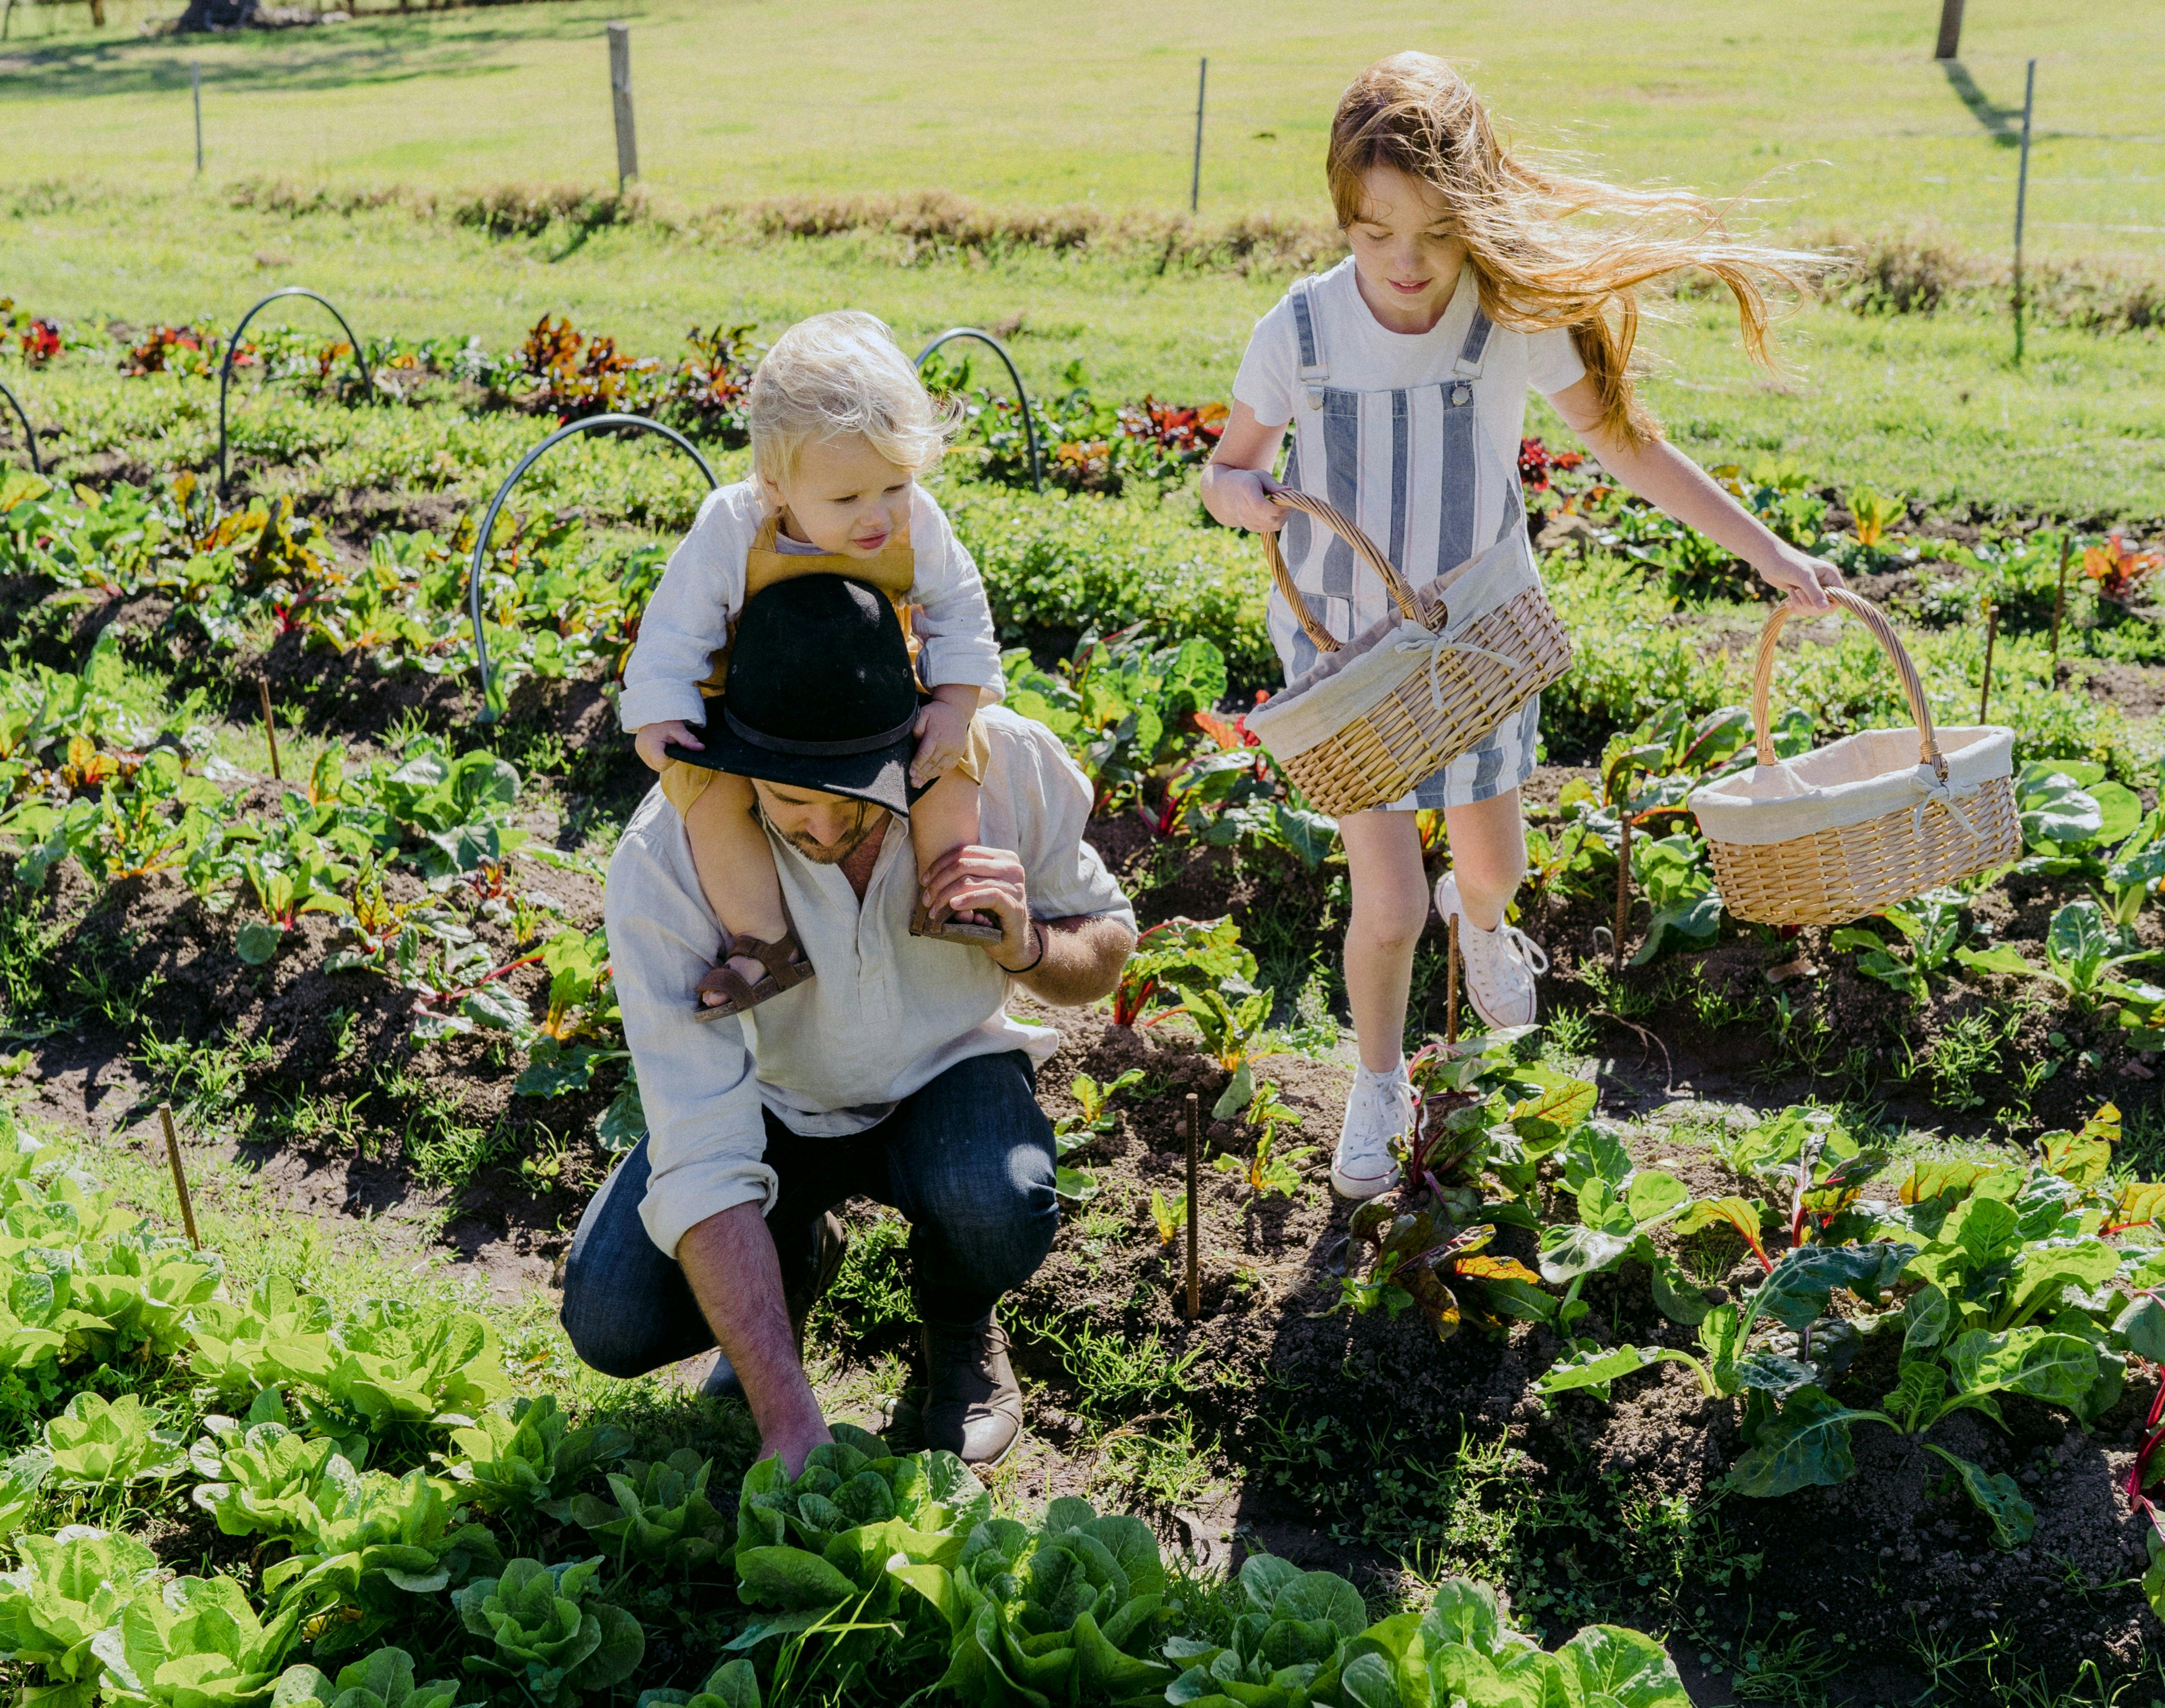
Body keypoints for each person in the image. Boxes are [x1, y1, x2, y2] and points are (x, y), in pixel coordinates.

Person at [1200, 51, 1844, 1201]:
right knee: (1386, 900)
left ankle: (1484, 925)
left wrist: (1770, 553)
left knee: (1490, 867)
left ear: (1477, 217)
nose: (1404, 264)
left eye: (1436, 233)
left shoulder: (1506, 320)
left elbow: (1627, 446)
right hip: (1350, 662)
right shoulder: (1294, 333)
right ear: (1341, 218)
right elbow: (1226, 467)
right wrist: (1237, 492)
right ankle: (1377, 1079)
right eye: (1373, 232)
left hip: (1478, 647)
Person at [563, 571, 1138, 1472]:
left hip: (948, 1078)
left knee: (996, 1203)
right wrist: (785, 1417)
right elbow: (701, 1147)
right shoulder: (664, 860)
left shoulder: (1001, 762)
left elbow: (1106, 947)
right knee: (610, 1319)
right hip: (771, 1105)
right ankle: (787, 1265)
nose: (826, 824)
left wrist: (1027, 947)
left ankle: (957, 1334)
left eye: (857, 792)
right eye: (792, 800)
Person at [621, 310, 1008, 1022]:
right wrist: (661, 707)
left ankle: (952, 886)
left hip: (870, 688)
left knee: (953, 758)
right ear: (776, 485)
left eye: (895, 487)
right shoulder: (733, 525)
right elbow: (676, 626)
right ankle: (763, 942)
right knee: (707, 797)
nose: (879, 517)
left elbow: (959, 609)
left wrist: (953, 704)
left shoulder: (918, 522)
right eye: (847, 499)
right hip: (760, 701)